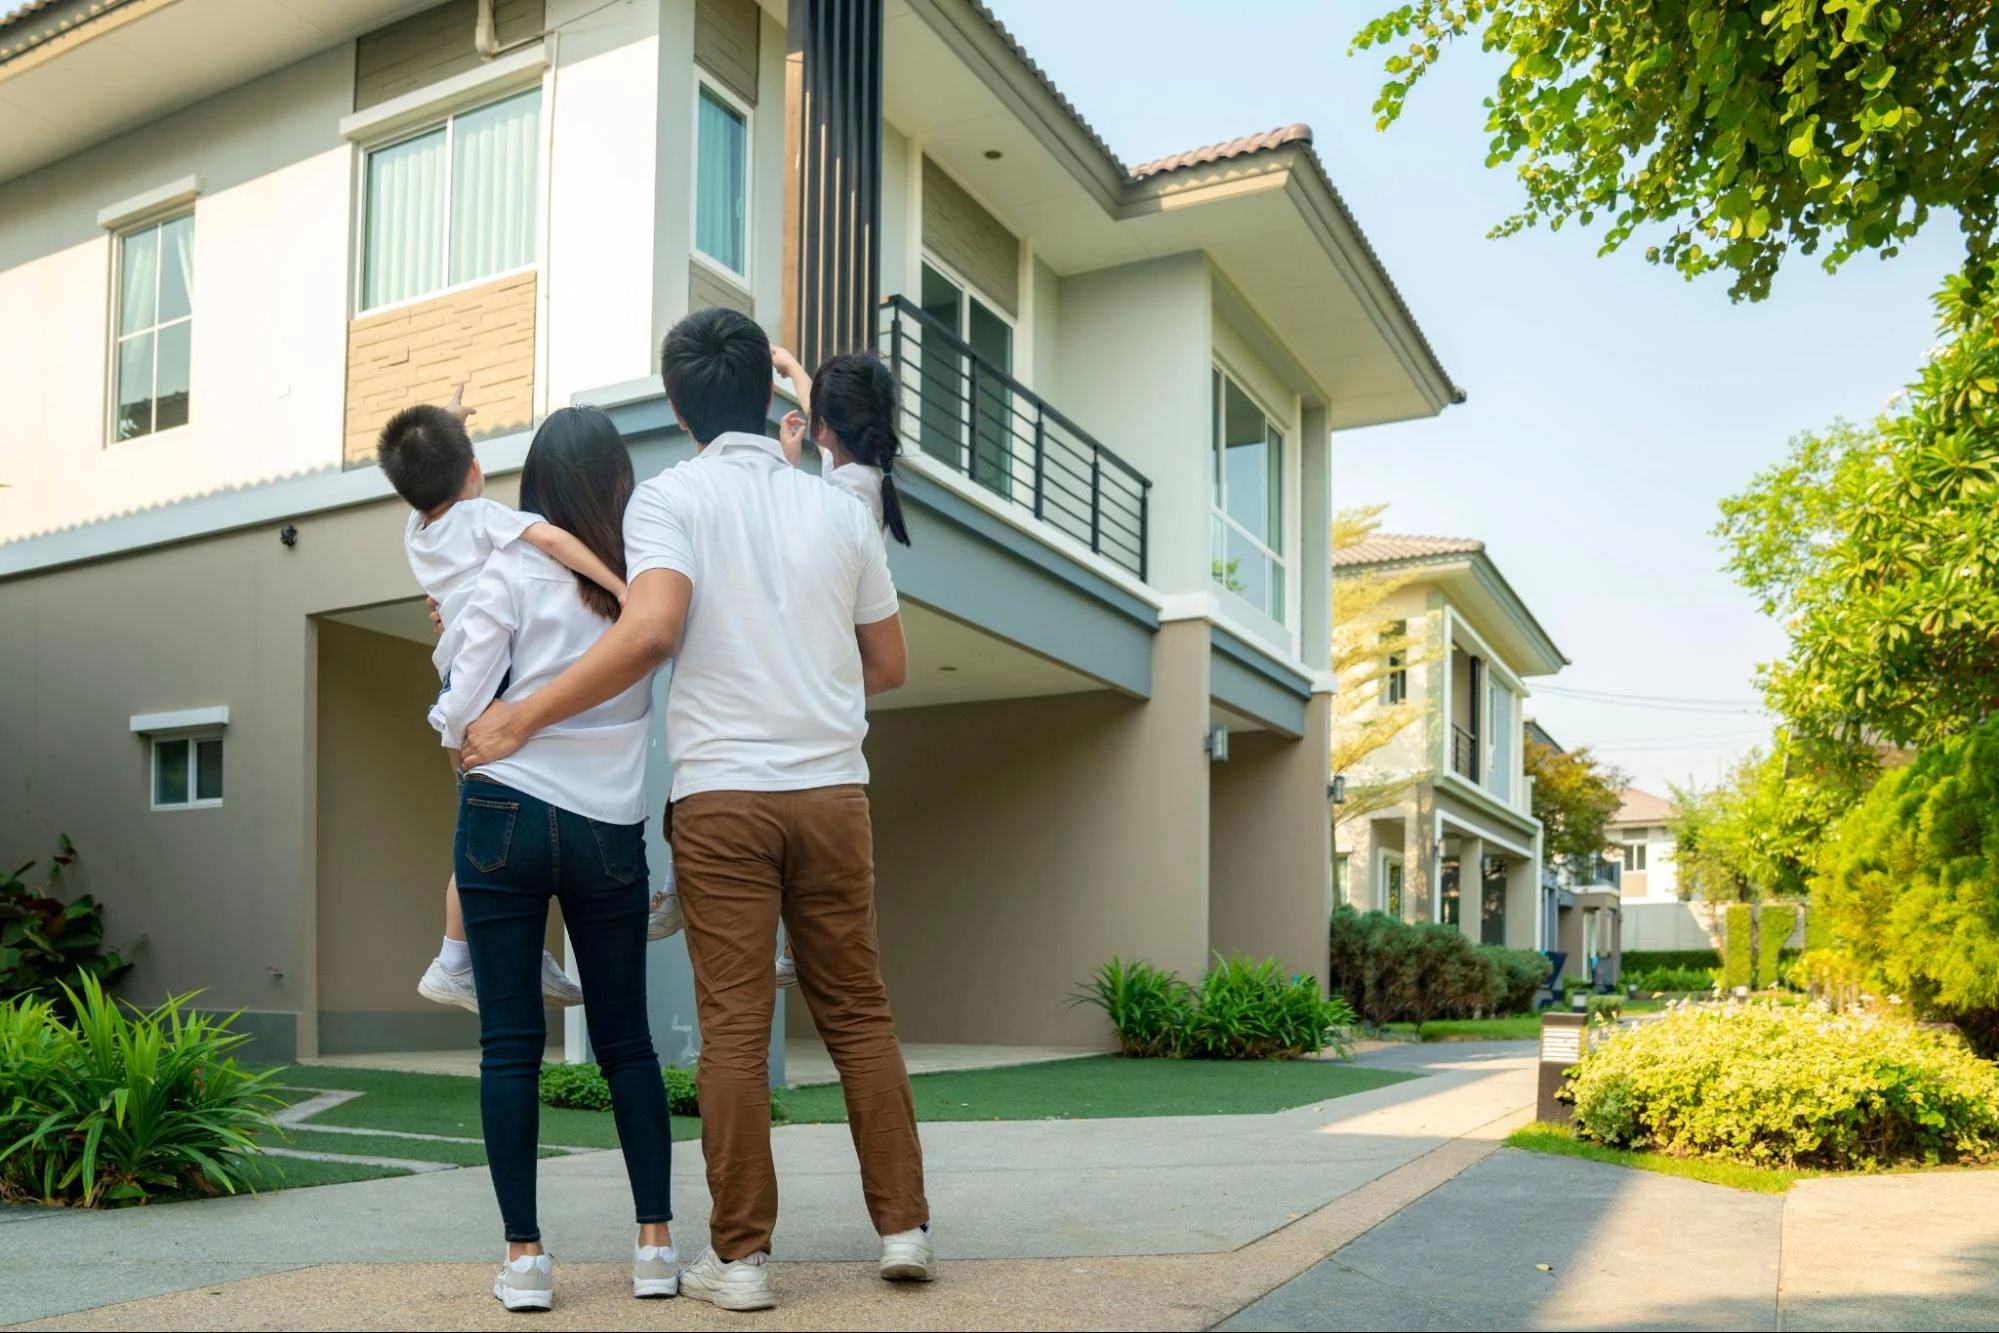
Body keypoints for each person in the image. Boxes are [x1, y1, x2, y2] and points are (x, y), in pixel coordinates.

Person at [462, 308, 932, 1313]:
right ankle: (902, 1228)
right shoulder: (839, 511)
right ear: (769, 394)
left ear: (676, 406)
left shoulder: (668, 501)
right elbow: (886, 665)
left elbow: (652, 630)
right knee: (859, 1014)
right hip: (833, 792)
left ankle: (743, 1261)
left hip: (724, 799)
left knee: (731, 1024)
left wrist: (520, 718)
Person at [431, 406, 680, 1312]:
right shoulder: (644, 585)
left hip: (502, 814)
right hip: (608, 832)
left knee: (509, 1046)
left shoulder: (507, 567)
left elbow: (463, 708)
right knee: (626, 1043)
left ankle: (527, 1260)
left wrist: (446, 640)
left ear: (534, 488)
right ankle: (654, 1246)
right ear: (618, 485)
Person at [376, 387, 680, 1015]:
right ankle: (454, 959)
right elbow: (555, 542)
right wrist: (622, 587)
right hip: (491, 686)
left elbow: (435, 477)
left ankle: (456, 953)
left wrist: (449, 423)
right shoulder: (490, 523)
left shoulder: (417, 532)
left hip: (463, 680)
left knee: (472, 824)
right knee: (625, 1033)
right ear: (475, 472)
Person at [764, 346, 913, 988]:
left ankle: (688, 888)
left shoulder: (840, 502)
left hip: (828, 647)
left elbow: (790, 532)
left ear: (826, 429)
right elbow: (830, 432)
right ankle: (797, 947)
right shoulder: (866, 471)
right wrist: (797, 372)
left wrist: (783, 465)